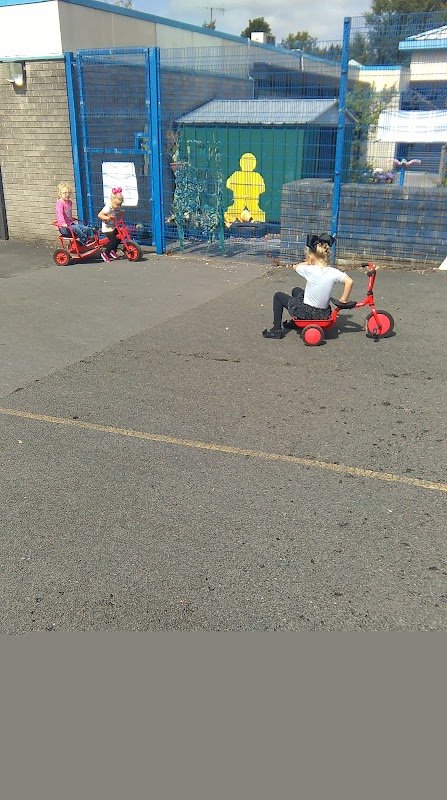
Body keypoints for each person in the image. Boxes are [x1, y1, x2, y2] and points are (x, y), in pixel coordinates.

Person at [262, 233, 353, 339]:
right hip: (323, 313)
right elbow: (349, 281)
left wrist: (308, 262)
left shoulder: (309, 269)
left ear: (311, 257)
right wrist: (343, 299)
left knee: (278, 296)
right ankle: (297, 322)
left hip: (309, 313)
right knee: (296, 290)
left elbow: (295, 267)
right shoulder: (333, 272)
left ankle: (276, 330)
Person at [98, 188, 124, 262]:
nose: (118, 207)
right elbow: (100, 215)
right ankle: (105, 253)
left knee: (120, 236)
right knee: (113, 240)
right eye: (117, 205)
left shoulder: (113, 207)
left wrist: (119, 213)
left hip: (112, 226)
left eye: (120, 205)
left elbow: (114, 214)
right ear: (112, 202)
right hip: (107, 228)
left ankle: (113, 251)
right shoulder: (107, 208)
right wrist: (107, 218)